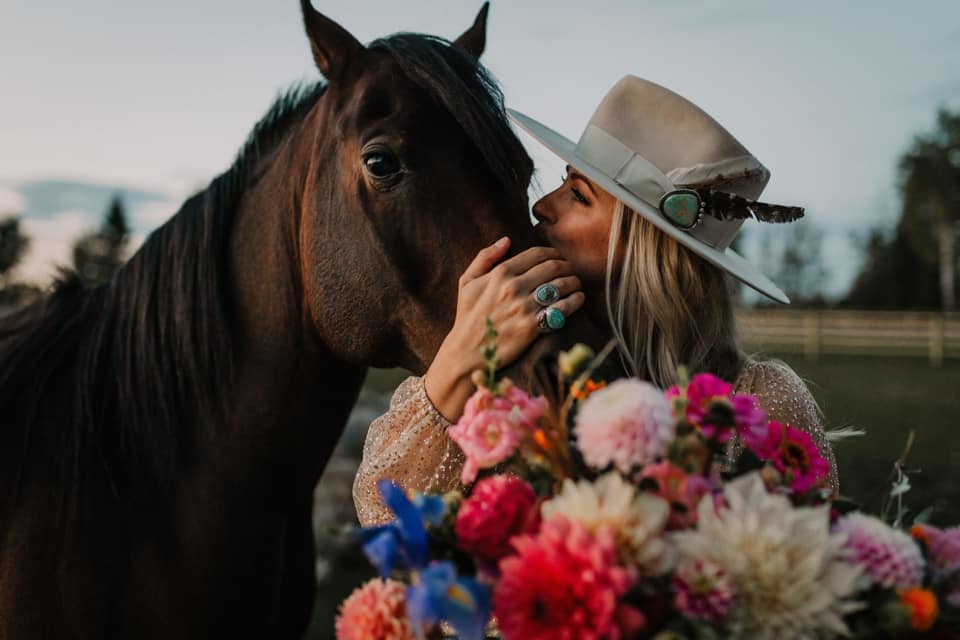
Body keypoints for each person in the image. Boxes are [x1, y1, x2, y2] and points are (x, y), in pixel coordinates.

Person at [353, 75, 838, 526]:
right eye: (563, 181)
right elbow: (383, 517)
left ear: (645, 245)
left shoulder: (760, 401)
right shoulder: (512, 377)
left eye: (578, 195)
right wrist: (459, 358)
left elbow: (805, 579)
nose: (542, 205)